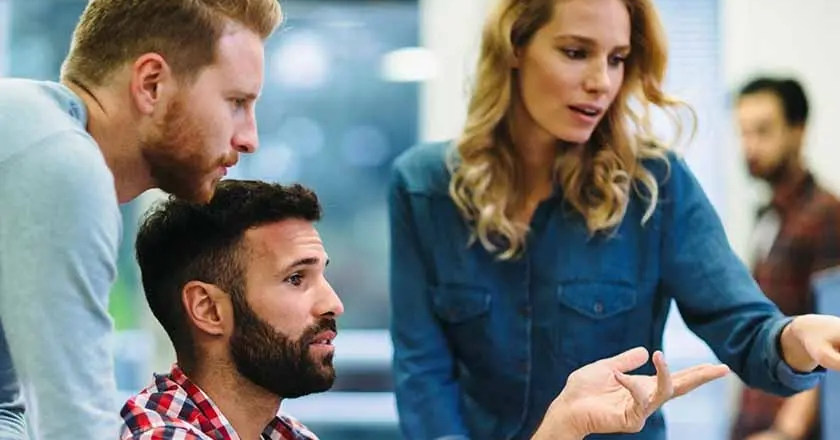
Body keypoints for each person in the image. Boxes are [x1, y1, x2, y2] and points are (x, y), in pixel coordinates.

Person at [387, 0, 840, 439]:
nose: (601, 81)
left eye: (618, 58)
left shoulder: (655, 186)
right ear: (515, 46)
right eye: (576, 52)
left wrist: (796, 338)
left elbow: (747, 331)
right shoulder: (423, 188)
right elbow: (423, 373)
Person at [120, 179, 730, 440]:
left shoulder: (283, 433)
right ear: (207, 309)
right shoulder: (162, 434)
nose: (331, 302)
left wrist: (562, 424)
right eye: (295, 279)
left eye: (322, 275)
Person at [0, 0, 281, 437]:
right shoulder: (60, 161)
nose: (249, 138)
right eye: (235, 102)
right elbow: (73, 426)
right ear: (152, 84)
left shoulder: (28, 131)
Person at [730, 77, 840, 440]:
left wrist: (786, 431)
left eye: (763, 131)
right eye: (743, 132)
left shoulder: (826, 214)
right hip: (756, 409)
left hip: (790, 426)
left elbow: (834, 332)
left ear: (798, 130)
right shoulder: (768, 214)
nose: (750, 146)